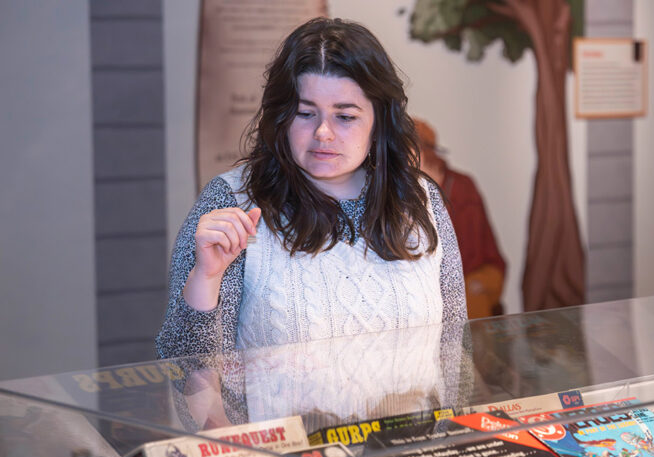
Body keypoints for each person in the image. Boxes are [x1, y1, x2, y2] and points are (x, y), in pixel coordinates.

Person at [156, 18, 467, 360]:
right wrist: (206, 277)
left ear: (379, 122)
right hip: (269, 416)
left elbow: (455, 348)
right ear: (281, 118)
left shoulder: (419, 197)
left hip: (416, 416)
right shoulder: (232, 201)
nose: (323, 133)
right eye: (305, 113)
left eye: (345, 117)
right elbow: (182, 362)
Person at [414, 118, 506, 319]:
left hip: (466, 293)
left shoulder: (462, 187)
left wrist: (479, 283)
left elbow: (480, 253)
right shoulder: (395, 192)